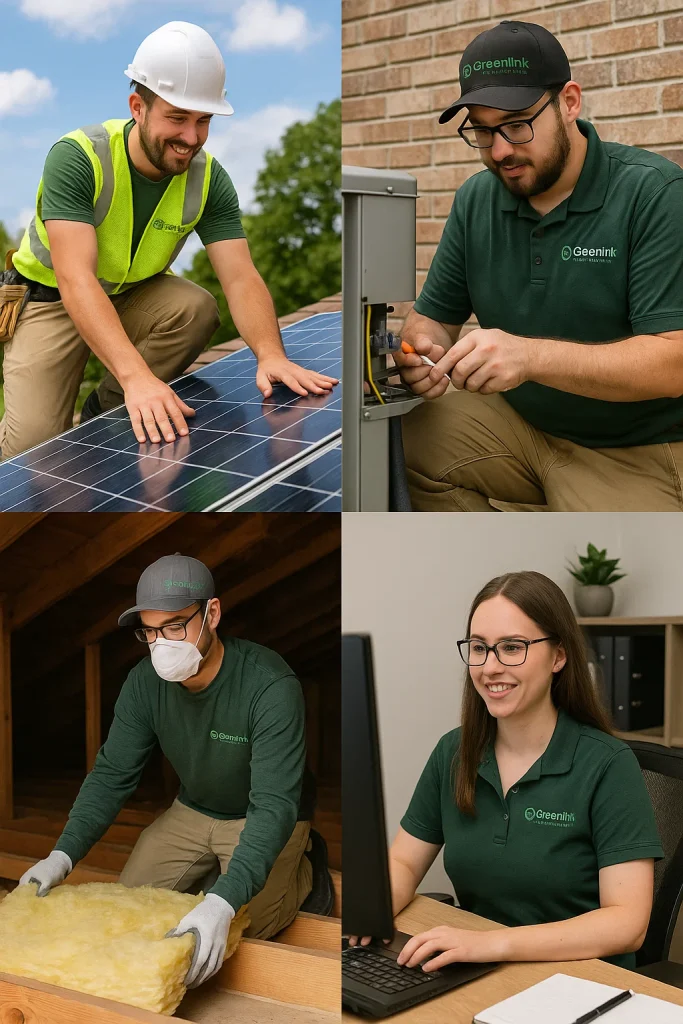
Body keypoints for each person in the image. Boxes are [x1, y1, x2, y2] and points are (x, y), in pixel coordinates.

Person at [0, 21, 337, 461]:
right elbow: (75, 279)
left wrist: (271, 354)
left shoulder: (209, 179)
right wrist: (137, 376)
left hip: (132, 294)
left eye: (203, 121)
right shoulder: (79, 157)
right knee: (30, 450)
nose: (191, 138)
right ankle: (127, 391)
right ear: (137, 107)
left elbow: (240, 277)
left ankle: (106, 410)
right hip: (54, 299)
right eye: (177, 118)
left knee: (194, 307)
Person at [394, 20, 683, 512]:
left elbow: (673, 363)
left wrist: (530, 358)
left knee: (596, 557)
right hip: (520, 426)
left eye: (516, 124)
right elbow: (431, 320)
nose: (500, 150)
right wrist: (420, 352)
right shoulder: (476, 199)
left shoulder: (654, 193)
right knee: (397, 441)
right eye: (482, 130)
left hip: (634, 448)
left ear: (569, 102)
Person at [18, 553, 315, 989]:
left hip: (262, 815)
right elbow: (112, 774)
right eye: (150, 631)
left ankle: (303, 865)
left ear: (212, 614)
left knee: (240, 931)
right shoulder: (144, 683)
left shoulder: (269, 686)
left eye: (175, 626)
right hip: (193, 810)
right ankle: (219, 874)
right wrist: (60, 856)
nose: (162, 644)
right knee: (129, 907)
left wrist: (223, 902)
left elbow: (273, 804)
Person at [349, 571, 663, 971]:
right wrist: (369, 915)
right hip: (482, 970)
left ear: (559, 656)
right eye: (480, 648)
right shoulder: (453, 752)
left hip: (581, 979)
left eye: (512, 647)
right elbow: (404, 863)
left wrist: (491, 944)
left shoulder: (608, 763)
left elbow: (627, 923)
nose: (490, 667)